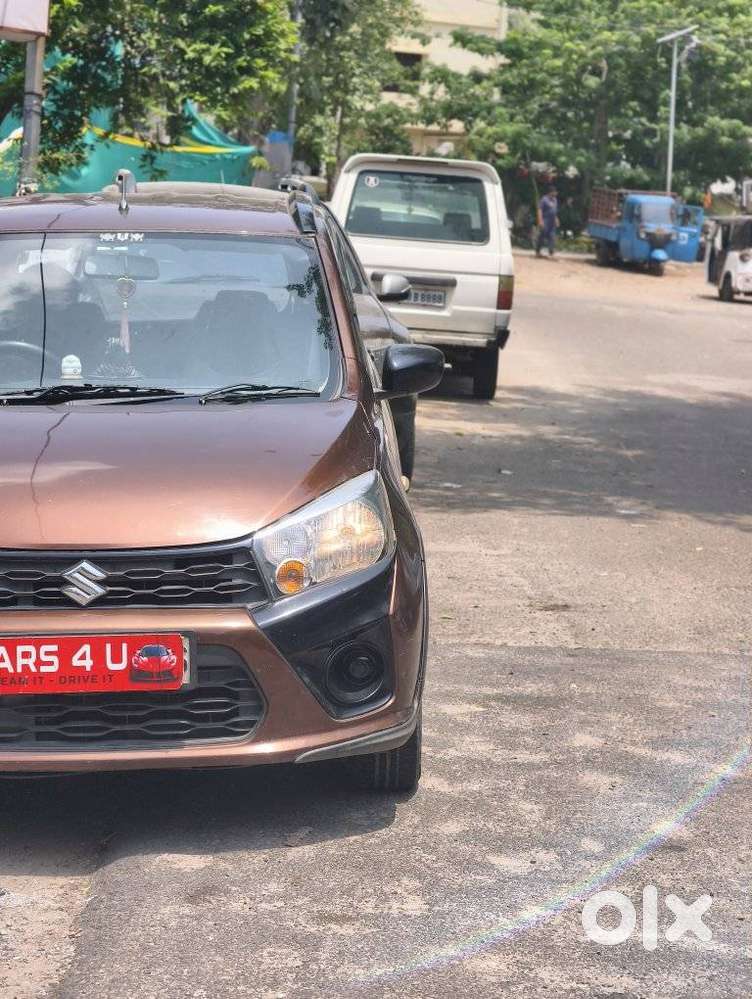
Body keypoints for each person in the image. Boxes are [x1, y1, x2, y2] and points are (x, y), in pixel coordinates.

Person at [536, 185, 559, 257]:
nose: (555, 194)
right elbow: (539, 210)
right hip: (545, 220)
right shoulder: (544, 199)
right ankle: (538, 251)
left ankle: (551, 252)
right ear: (550, 192)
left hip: (552, 222)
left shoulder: (555, 200)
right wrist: (540, 221)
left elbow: (554, 211)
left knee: (552, 237)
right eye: (554, 192)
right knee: (542, 236)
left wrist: (556, 219)